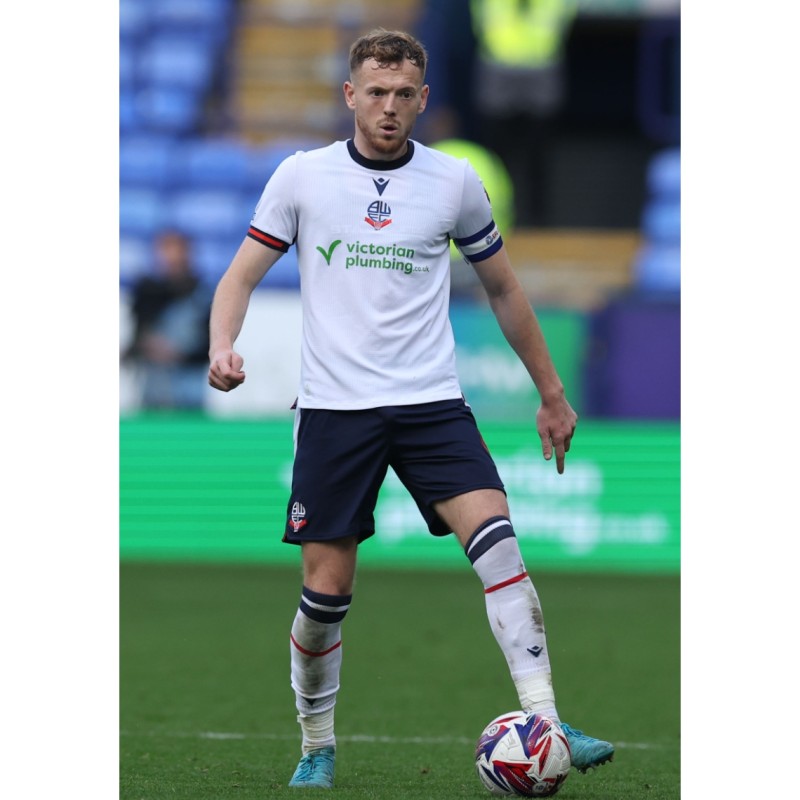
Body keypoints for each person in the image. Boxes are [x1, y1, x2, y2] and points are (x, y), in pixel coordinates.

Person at [207, 29, 614, 789]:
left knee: (501, 550)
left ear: (422, 99)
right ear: (350, 95)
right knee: (325, 599)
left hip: (431, 404)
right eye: (376, 93)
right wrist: (221, 343)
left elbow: (504, 289)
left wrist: (552, 393)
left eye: (403, 95)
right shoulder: (302, 178)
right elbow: (237, 276)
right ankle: (316, 744)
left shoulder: (454, 181)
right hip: (335, 412)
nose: (389, 108)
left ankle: (547, 721)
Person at [124, 230, 212, 410]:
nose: (172, 260)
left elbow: (212, 346)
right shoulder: (147, 293)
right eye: (166, 253)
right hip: (153, 385)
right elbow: (138, 334)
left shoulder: (203, 295)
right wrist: (142, 347)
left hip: (189, 386)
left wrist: (178, 354)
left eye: (177, 253)